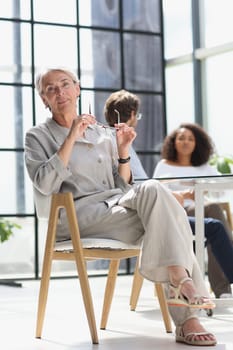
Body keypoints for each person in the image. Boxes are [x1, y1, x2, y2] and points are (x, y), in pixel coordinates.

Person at [24, 68, 217, 346]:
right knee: (169, 222)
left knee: (153, 189)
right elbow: (44, 183)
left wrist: (123, 151)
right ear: (44, 99)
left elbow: (123, 186)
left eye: (65, 84)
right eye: (50, 89)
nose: (59, 92)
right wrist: (70, 138)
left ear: (77, 89)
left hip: (115, 208)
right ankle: (187, 315)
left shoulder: (102, 133)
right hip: (75, 217)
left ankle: (179, 280)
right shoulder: (37, 136)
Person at [104, 90, 233, 300]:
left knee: (213, 218)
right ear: (133, 113)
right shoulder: (120, 145)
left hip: (161, 208)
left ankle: (219, 287)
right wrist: (177, 195)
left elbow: (140, 187)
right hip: (157, 214)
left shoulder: (119, 143)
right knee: (215, 224)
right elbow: (141, 189)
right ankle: (216, 286)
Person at [153, 123, 233, 298]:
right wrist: (186, 194)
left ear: (197, 143)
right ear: (173, 142)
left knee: (214, 216)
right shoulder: (164, 165)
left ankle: (222, 290)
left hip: (203, 212)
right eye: (181, 138)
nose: (186, 142)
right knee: (214, 216)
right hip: (177, 213)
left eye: (190, 139)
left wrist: (205, 188)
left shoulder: (203, 167)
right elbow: (156, 193)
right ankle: (224, 285)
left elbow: (222, 189)